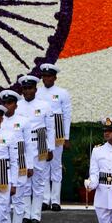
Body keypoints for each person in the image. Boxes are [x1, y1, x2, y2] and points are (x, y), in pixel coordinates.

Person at [15, 75, 55, 223]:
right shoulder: (17, 105)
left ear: (35, 89)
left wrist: (50, 148)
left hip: (40, 143)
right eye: (25, 88)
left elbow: (50, 129)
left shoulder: (45, 105)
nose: (27, 91)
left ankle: (36, 215)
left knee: (38, 181)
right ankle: (25, 214)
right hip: (23, 145)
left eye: (30, 88)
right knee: (24, 181)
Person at [0, 90, 34, 223]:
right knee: (4, 200)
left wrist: (30, 165)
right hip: (3, 164)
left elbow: (29, 145)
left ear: (16, 104)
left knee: (19, 200)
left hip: (19, 163)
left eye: (10, 103)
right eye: (5, 103)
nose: (7, 106)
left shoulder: (24, 121)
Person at [36, 63, 72, 210]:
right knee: (43, 166)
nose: (47, 79)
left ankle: (56, 200)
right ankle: (45, 199)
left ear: (55, 77)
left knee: (56, 165)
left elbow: (67, 115)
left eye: (49, 76)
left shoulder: (62, 93)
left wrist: (66, 136)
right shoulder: (37, 92)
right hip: (42, 131)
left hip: (57, 132)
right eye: (44, 76)